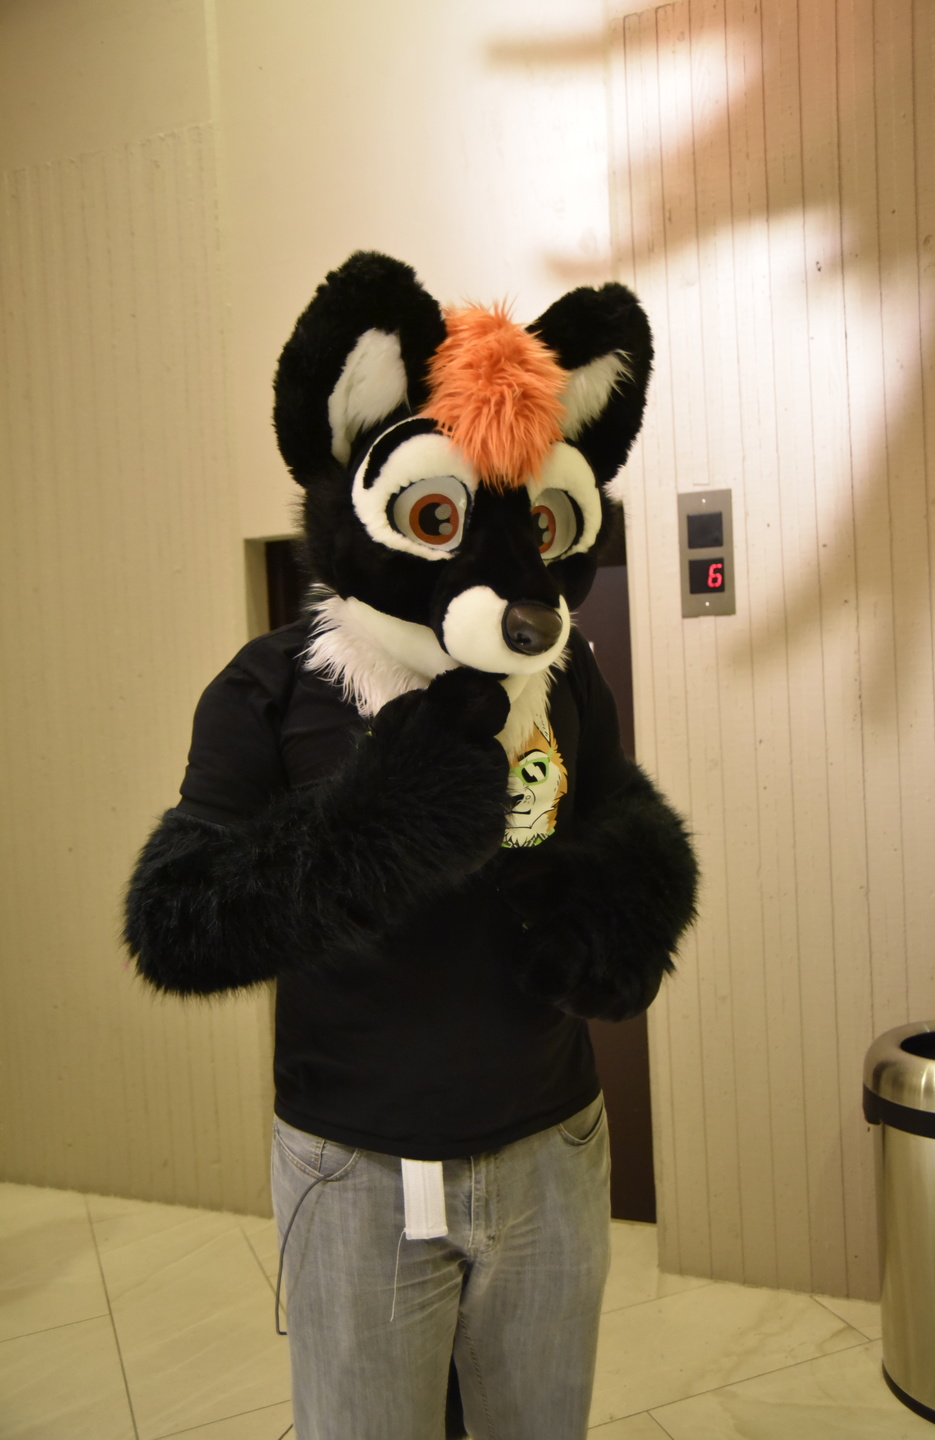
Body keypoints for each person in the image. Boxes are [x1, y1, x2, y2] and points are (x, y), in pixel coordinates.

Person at [124, 252, 698, 1440]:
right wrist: (385, 819)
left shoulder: (564, 676)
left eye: (539, 524)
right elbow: (178, 919)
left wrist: (621, 908)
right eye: (440, 517)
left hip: (550, 1143)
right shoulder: (271, 687)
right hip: (355, 1166)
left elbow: (619, 808)